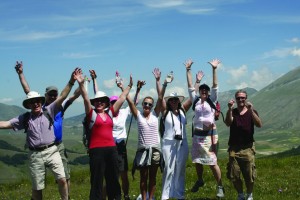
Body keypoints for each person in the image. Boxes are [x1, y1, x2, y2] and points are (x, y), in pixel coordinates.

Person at [0, 68, 80, 200]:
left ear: (41, 101)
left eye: (37, 101)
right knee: (37, 188)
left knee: (62, 180)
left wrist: (72, 81)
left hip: (52, 150)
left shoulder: (50, 109)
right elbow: (5, 124)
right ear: (29, 105)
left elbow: (64, 96)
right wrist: (20, 74)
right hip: (35, 155)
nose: (35, 103)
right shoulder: (25, 118)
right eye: (32, 102)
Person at [75, 69, 133, 200]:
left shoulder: (110, 113)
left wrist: (129, 85)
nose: (99, 102)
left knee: (113, 179)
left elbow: (122, 98)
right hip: (96, 151)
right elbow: (85, 97)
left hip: (112, 150)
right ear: (94, 103)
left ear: (106, 102)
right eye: (96, 101)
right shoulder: (91, 114)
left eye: (102, 100)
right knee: (97, 181)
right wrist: (80, 83)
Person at [185, 58, 225, 198]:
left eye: (205, 90)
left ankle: (220, 186)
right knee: (197, 160)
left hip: (209, 135)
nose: (203, 91)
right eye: (201, 89)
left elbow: (215, 85)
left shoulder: (212, 100)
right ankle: (200, 180)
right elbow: (190, 86)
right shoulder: (195, 100)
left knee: (212, 162)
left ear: (208, 93)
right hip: (197, 135)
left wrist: (214, 69)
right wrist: (188, 70)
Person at [129, 68, 164, 200]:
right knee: (143, 178)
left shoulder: (156, 114)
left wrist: (158, 81)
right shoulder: (138, 115)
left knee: (153, 178)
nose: (147, 106)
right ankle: (144, 199)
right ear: (142, 105)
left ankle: (151, 198)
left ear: (153, 106)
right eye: (145, 104)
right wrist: (128, 86)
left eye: (150, 104)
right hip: (143, 151)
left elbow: (160, 97)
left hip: (155, 150)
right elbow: (130, 102)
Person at [157, 70, 192, 200]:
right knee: (168, 169)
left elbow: (192, 98)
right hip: (168, 143)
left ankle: (179, 194)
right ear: (169, 101)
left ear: (178, 101)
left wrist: (196, 81)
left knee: (180, 169)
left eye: (175, 100)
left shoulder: (182, 110)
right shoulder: (165, 112)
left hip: (182, 143)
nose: (173, 102)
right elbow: (160, 98)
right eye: (171, 100)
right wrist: (163, 83)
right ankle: (165, 196)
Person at [224, 90, 262, 200]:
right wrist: (229, 109)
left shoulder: (251, 111)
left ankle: (249, 194)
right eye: (238, 98)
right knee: (234, 175)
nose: (241, 100)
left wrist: (251, 111)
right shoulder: (233, 112)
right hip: (234, 149)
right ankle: (240, 194)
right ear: (235, 100)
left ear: (246, 99)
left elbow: (259, 124)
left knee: (249, 175)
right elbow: (228, 123)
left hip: (248, 148)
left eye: (243, 98)